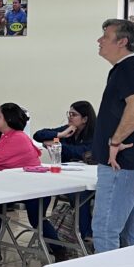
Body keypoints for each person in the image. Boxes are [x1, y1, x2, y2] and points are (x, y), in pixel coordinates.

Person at [92, 18, 134, 253]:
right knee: (131, 231)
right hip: (131, 163)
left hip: (122, 163)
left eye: (105, 37)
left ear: (123, 42)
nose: (99, 41)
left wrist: (115, 141)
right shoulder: (128, 68)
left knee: (105, 228)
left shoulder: (128, 68)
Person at [0, 103, 53, 265]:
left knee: (36, 219)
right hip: (10, 187)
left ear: (8, 119)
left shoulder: (19, 137)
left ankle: (60, 251)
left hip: (33, 187)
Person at [34, 101, 98, 243]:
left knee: (81, 194)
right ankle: (45, 228)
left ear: (85, 119)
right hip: (67, 175)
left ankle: (86, 235)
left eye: (73, 115)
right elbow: (38, 135)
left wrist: (57, 143)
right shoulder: (68, 129)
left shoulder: (95, 133)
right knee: (46, 190)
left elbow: (81, 151)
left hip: (89, 177)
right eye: (68, 114)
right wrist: (60, 134)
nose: (70, 117)